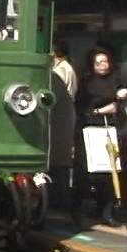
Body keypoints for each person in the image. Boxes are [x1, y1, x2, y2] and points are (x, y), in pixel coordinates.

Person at [73, 47, 127, 221]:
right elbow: (82, 108)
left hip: (112, 130)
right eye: (98, 63)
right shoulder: (87, 83)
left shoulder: (115, 81)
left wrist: (119, 99)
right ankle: (79, 209)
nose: (103, 66)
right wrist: (100, 110)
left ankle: (106, 212)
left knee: (110, 173)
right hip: (91, 132)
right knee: (89, 174)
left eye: (105, 62)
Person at [48, 40, 78, 209]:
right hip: (63, 117)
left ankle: (62, 201)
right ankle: (62, 199)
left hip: (60, 118)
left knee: (58, 162)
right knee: (61, 161)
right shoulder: (65, 68)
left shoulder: (61, 70)